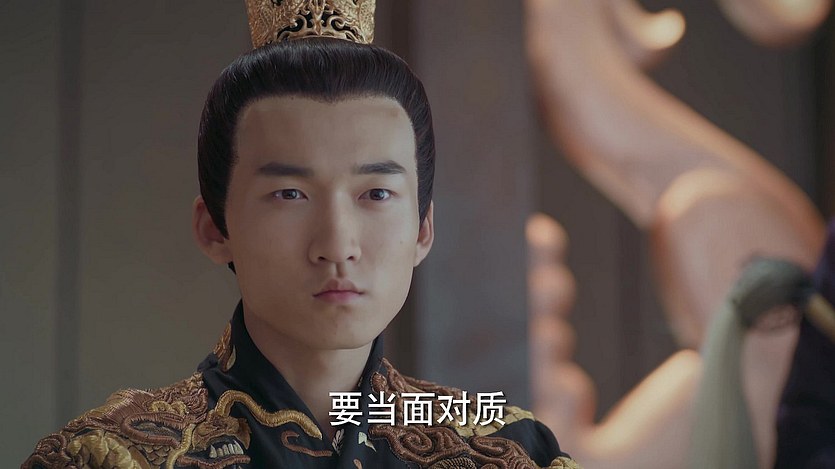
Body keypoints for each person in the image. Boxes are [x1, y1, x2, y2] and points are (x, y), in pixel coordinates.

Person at [22, 1, 578, 467]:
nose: (337, 246)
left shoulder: (507, 450)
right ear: (214, 227)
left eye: (376, 194)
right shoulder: (109, 454)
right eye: (290, 194)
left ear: (423, 229)